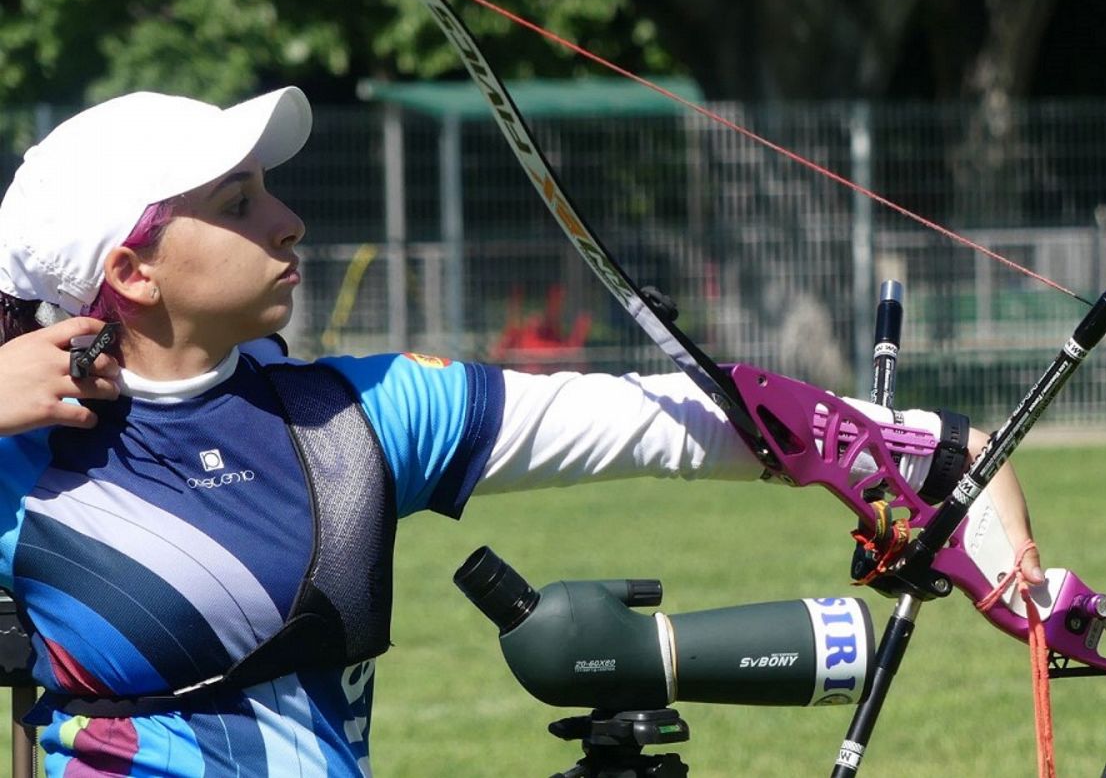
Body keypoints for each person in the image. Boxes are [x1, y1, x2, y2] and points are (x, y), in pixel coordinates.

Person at [0, 88, 1044, 777]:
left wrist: (931, 449)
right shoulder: (18, 452)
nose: (287, 220)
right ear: (133, 273)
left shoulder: (358, 417)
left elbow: (666, 421)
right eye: (239, 201)